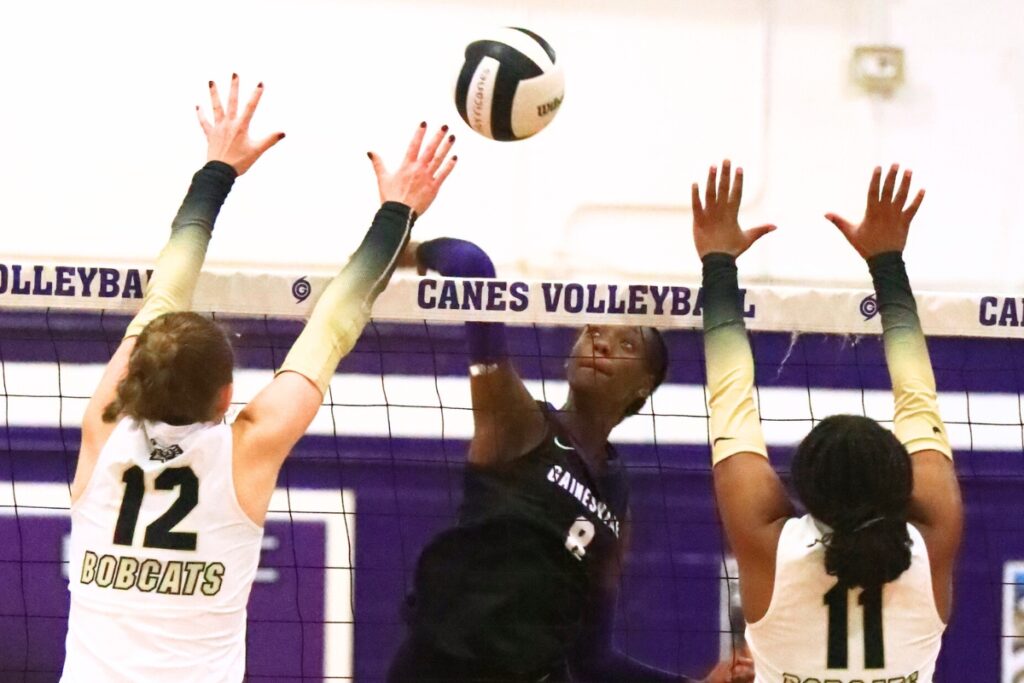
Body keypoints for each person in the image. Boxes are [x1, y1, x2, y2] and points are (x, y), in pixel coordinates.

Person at [60, 75, 458, 682]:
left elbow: (165, 288)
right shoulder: (247, 447)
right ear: (226, 396)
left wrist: (217, 168)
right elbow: (333, 324)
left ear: (135, 376)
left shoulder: (104, 428)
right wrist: (398, 211)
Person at [387, 239, 755, 682]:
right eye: (592, 332)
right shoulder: (518, 421)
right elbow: (473, 267)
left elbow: (592, 658)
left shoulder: (616, 494)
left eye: (626, 344)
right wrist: (405, 251)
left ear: (645, 385)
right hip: (438, 668)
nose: (600, 343)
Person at [692, 161, 962, 682]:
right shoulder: (930, 546)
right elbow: (919, 401)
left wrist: (718, 262)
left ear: (802, 489)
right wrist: (887, 261)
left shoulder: (771, 550)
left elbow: (732, 402)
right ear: (900, 480)